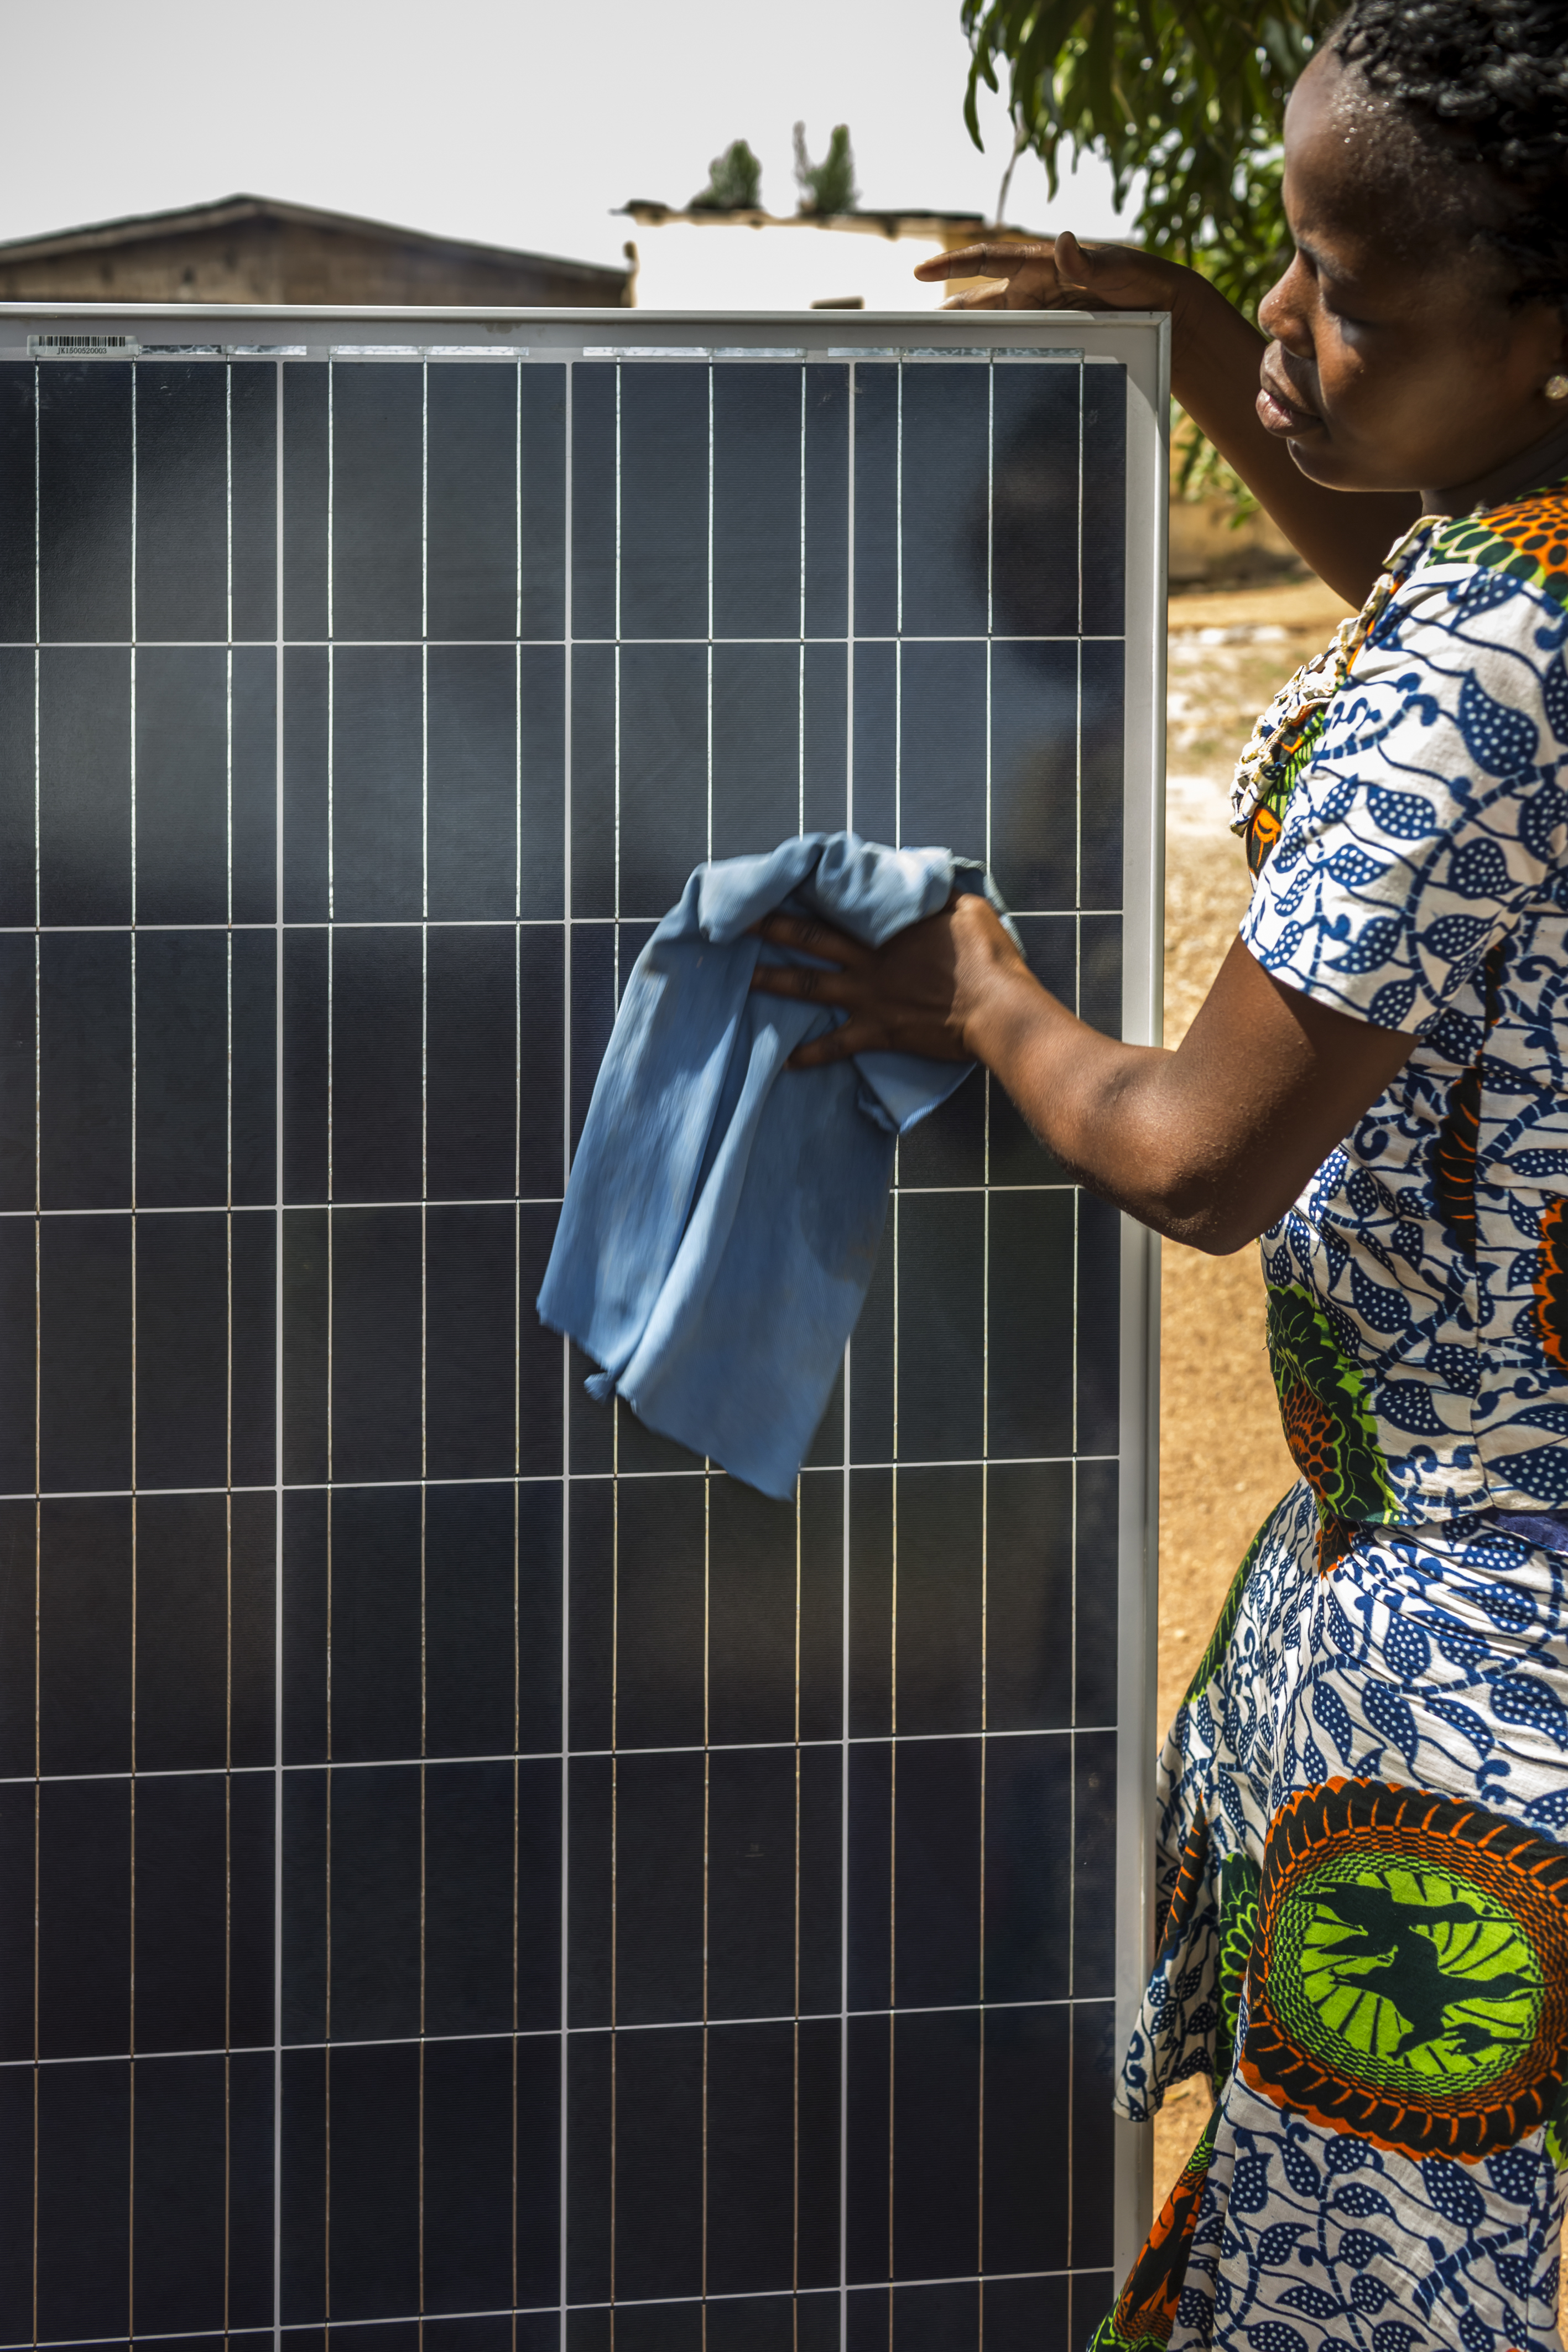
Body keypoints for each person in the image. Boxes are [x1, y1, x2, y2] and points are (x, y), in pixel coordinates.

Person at [749, 3, 1568, 2344]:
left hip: (1460, 1686)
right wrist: (1214, 353)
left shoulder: (1477, 676)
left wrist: (982, 997)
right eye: (1281, 259)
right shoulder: (1525, 562)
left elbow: (1202, 1154)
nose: (1294, 325)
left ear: (1541, 340)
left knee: (1359, 2291)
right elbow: (1442, 609)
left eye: (1350, 300)